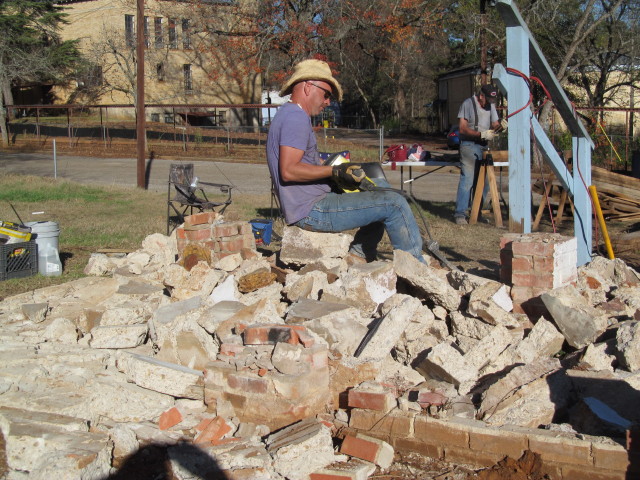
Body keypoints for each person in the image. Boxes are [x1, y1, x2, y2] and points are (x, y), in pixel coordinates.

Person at [266, 59, 425, 263]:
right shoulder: (295, 118)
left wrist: (335, 171)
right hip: (312, 210)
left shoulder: (289, 114)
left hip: (310, 203)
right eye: (326, 94)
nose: (327, 102)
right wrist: (334, 172)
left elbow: (298, 163)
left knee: (380, 186)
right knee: (395, 203)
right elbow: (289, 170)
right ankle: (416, 269)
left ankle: (359, 254)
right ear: (308, 86)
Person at [453, 84, 501, 225]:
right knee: (468, 180)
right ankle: (460, 214)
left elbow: (495, 123)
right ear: (481, 96)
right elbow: (462, 128)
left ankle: (476, 213)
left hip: (483, 146)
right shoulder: (468, 104)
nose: (490, 103)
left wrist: (501, 127)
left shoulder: (490, 105)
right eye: (488, 99)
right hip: (469, 144)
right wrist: (480, 134)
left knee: (483, 183)